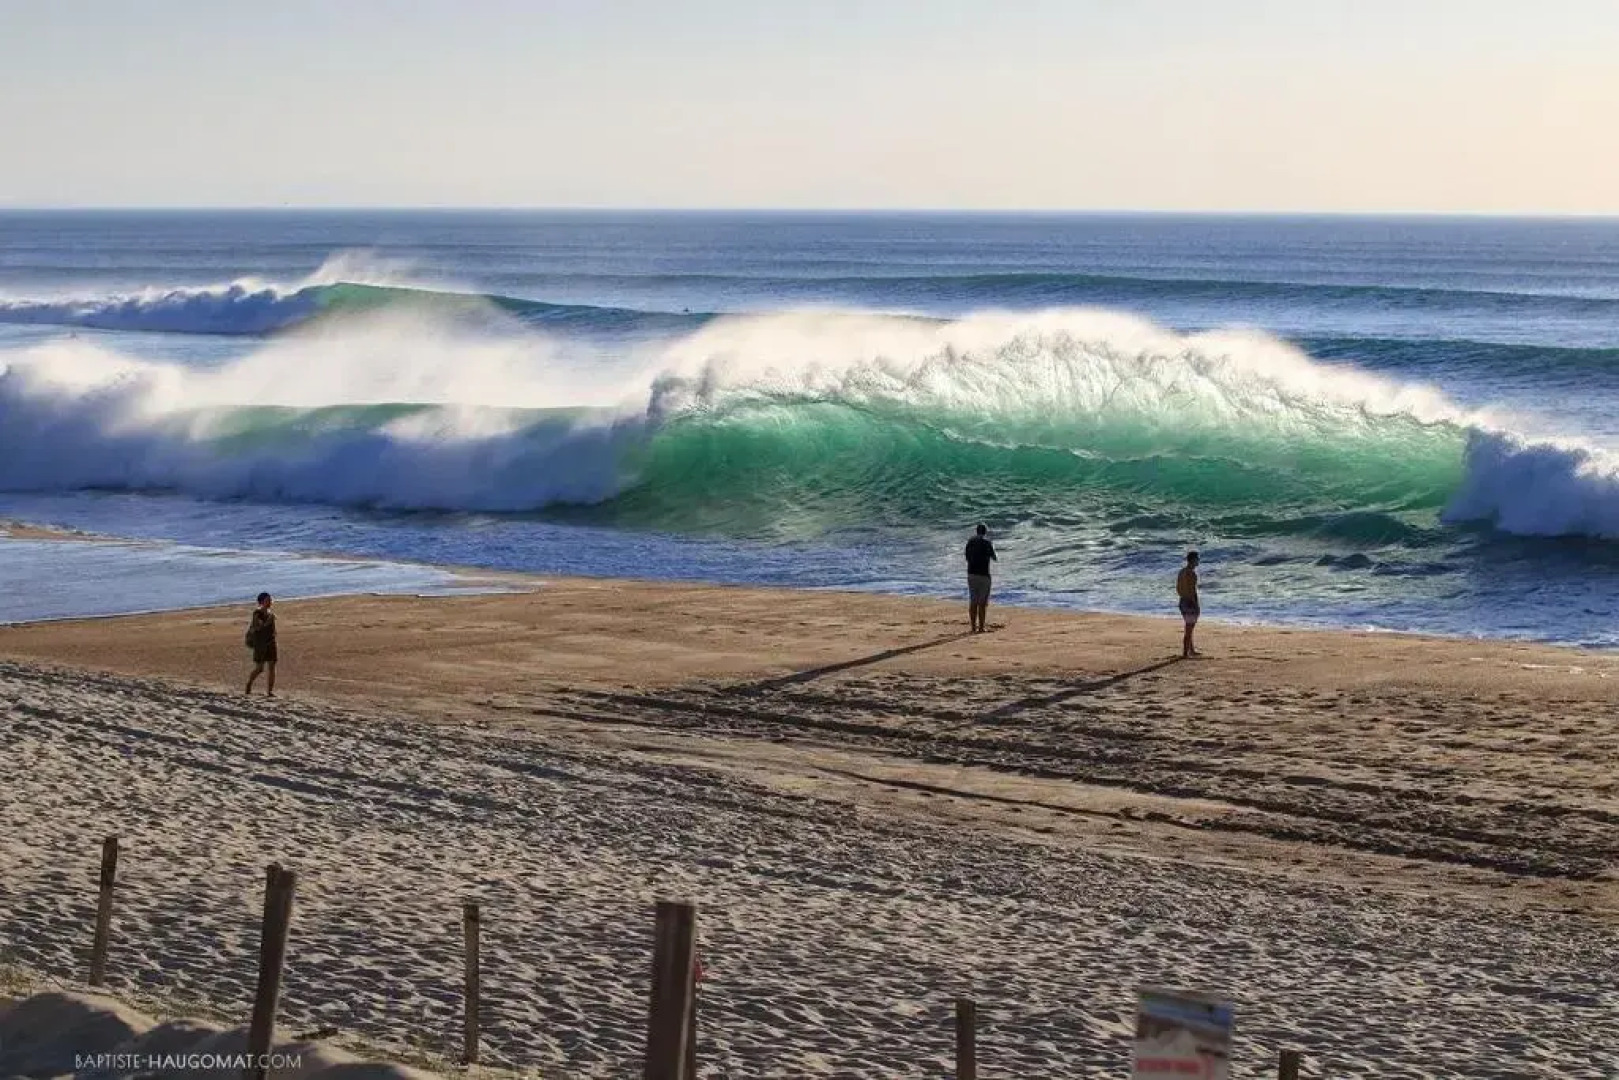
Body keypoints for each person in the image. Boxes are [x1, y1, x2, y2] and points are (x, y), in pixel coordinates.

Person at [964, 523, 997, 633]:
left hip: (971, 574)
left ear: (976, 531)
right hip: (984, 574)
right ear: (985, 532)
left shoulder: (970, 542)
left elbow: (967, 557)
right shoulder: (987, 542)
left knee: (973, 601)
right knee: (982, 603)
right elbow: (994, 558)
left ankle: (973, 627)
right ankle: (981, 628)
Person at [245, 592, 278, 696]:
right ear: (262, 602)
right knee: (260, 668)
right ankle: (249, 684)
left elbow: (272, 629)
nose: (270, 602)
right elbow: (258, 627)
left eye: (270, 600)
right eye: (267, 600)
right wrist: (269, 621)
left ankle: (270, 691)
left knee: (272, 667)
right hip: (260, 645)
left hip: (271, 643)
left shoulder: (270, 613)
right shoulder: (257, 613)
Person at [1176, 551, 1201, 658]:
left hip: (1182, 601)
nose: (1198, 561)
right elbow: (1192, 591)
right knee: (1189, 628)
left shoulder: (1182, 572)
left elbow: (1178, 588)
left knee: (1189, 627)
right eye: (1197, 559)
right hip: (1190, 602)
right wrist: (1195, 604)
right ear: (1193, 560)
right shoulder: (1191, 574)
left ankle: (1191, 650)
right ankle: (1186, 653)